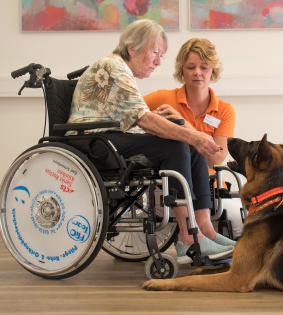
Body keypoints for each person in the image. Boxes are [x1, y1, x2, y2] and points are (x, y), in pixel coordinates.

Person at [66, 20, 235, 264]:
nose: (158, 61)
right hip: (93, 143)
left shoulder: (120, 69)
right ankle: (188, 240)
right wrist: (193, 135)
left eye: (161, 56)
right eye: (155, 53)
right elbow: (144, 120)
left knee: (185, 142)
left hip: (108, 137)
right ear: (133, 48)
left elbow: (138, 116)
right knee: (179, 142)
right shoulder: (114, 67)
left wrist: (190, 136)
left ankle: (205, 231)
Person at [144, 38, 243, 239]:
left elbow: (216, 159)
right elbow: (132, 112)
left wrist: (186, 126)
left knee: (236, 224)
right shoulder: (163, 98)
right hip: (168, 187)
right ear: (182, 71)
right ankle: (190, 238)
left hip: (209, 188)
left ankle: (199, 237)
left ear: (212, 71)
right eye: (191, 67)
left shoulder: (224, 110)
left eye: (204, 67)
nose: (197, 72)